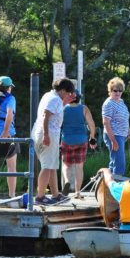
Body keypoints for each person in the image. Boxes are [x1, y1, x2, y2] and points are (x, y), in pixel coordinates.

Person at [31, 77, 77, 205]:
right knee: (46, 166)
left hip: (42, 133)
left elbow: (54, 112)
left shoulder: (49, 96)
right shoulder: (54, 99)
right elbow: (46, 116)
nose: (68, 95)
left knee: (51, 166)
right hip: (48, 134)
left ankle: (56, 195)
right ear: (62, 90)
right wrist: (46, 135)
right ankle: (40, 197)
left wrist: (65, 102)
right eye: (68, 93)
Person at [60, 91, 96, 199]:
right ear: (79, 98)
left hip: (66, 139)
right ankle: (77, 193)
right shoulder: (84, 108)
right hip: (81, 140)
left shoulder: (64, 108)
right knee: (79, 167)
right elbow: (92, 125)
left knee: (66, 165)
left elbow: (58, 123)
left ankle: (67, 181)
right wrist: (92, 138)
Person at [102, 77, 130, 177]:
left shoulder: (121, 102)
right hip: (113, 135)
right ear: (110, 90)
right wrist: (113, 141)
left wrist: (129, 132)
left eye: (120, 91)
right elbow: (106, 123)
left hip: (121, 135)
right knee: (119, 163)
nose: (118, 93)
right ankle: (116, 186)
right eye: (115, 90)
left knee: (115, 162)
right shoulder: (108, 103)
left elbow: (124, 120)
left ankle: (108, 186)